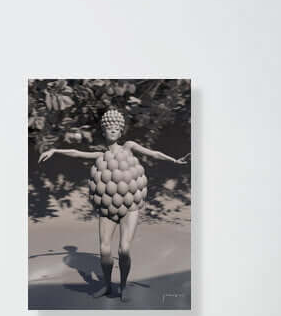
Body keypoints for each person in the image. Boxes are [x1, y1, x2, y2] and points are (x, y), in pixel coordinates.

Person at [39, 109, 188, 302]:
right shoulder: (100, 155)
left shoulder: (128, 146)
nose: (112, 131)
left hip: (130, 206)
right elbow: (76, 153)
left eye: (116, 128)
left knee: (123, 250)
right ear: (103, 131)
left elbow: (153, 153)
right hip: (108, 207)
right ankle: (107, 285)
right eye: (108, 128)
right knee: (104, 249)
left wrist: (174, 160)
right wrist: (55, 150)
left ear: (121, 132)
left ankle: (123, 285)